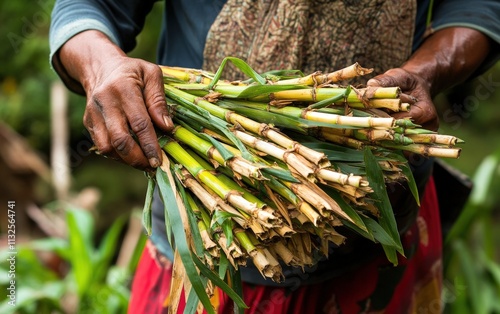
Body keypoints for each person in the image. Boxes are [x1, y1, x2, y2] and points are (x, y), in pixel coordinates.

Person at [49, 0, 499, 312]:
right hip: (208, 246)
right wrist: (101, 65)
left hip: (378, 227)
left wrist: (426, 72)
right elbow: (88, 8)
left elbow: (478, 7)